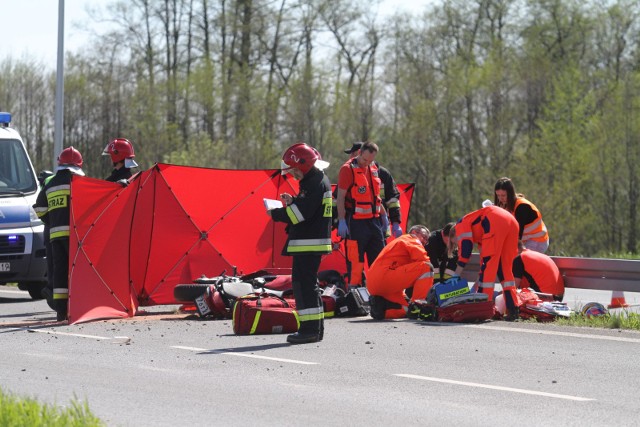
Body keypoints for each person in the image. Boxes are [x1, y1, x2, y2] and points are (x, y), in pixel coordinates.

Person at [267, 142, 332, 344]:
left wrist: (276, 213)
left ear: (303, 166)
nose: (293, 175)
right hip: (313, 241)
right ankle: (315, 329)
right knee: (309, 285)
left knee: (304, 287)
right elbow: (308, 208)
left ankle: (309, 330)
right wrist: (293, 201)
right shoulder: (317, 180)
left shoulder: (312, 183)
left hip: (308, 243)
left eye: (294, 170)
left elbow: (299, 215)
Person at [33, 147, 85, 321]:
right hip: (75, 236)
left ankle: (61, 312)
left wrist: (52, 221)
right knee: (77, 271)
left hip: (55, 236)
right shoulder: (78, 182)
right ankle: (78, 308)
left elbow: (39, 207)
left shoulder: (50, 183)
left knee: (60, 272)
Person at [448, 205, 520, 320]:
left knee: (489, 270)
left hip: (495, 220)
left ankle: (482, 310)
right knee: (504, 269)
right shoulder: (480, 232)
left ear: (454, 234)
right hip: (512, 221)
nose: (458, 245)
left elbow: (466, 250)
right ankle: (513, 309)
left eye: (456, 242)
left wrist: (456, 274)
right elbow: (484, 259)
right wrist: (479, 276)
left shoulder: (460, 226)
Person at [336, 141, 387, 289]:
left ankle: (378, 290)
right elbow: (340, 197)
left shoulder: (373, 168)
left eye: (370, 160)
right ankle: (355, 291)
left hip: (374, 221)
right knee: (355, 260)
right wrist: (341, 220)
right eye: (365, 160)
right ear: (360, 153)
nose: (367, 163)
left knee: (378, 258)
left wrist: (384, 217)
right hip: (355, 222)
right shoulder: (347, 169)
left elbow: (375, 197)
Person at [366, 225, 435, 320]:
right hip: (386, 277)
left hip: (373, 284)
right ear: (414, 232)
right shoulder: (411, 238)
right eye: (424, 236)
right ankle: (418, 305)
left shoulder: (398, 243)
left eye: (427, 240)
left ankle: (381, 310)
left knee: (407, 308)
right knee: (427, 267)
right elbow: (423, 259)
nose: (424, 241)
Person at [494, 177, 549, 253]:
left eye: (503, 195)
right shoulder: (504, 204)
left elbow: (517, 235)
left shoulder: (522, 207)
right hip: (525, 240)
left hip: (538, 240)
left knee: (519, 259)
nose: (500, 198)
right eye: (498, 195)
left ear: (510, 194)